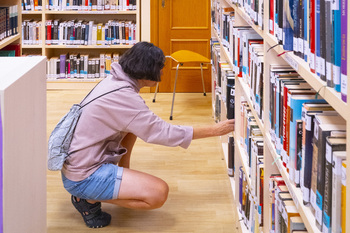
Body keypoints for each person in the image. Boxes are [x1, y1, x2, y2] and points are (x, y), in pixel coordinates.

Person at [61, 41, 235, 228]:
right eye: (160, 68)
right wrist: (216, 130)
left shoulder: (114, 82)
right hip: (84, 175)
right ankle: (86, 198)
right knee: (158, 193)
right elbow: (163, 133)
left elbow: (142, 127)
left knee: (133, 127)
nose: (161, 73)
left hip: (80, 161)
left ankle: (113, 181)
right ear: (147, 70)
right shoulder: (124, 97)